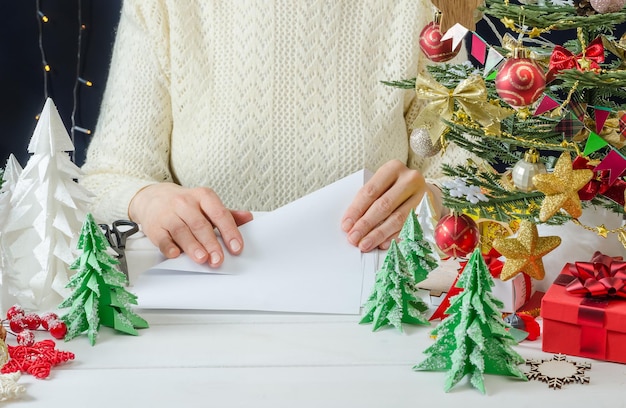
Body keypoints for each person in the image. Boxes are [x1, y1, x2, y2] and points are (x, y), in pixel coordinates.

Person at [81, 0, 471, 268]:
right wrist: (146, 199)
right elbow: (105, 178)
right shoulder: (164, 6)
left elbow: (475, 179)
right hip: (199, 322)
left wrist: (430, 201)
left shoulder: (427, 11)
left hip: (377, 318)